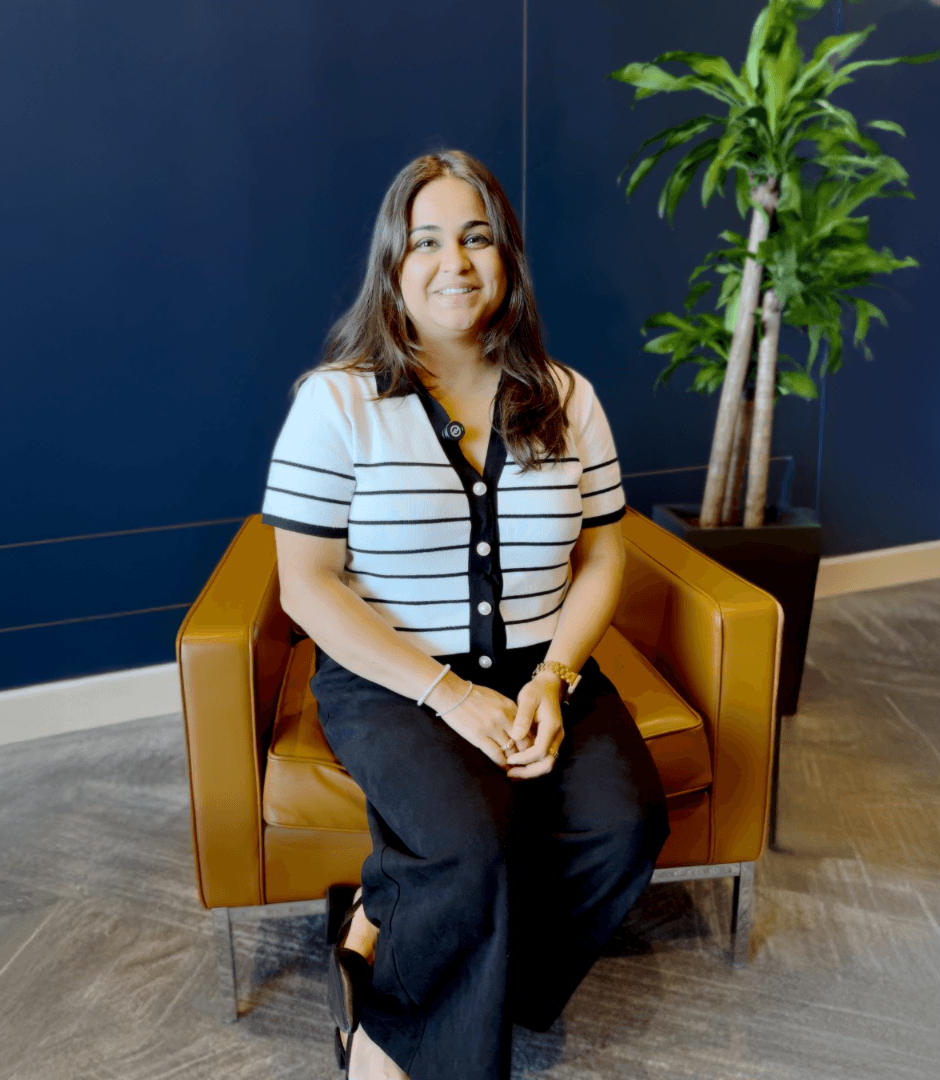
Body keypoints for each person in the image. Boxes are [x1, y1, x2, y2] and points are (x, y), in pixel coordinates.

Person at [261, 150, 669, 1080]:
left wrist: (554, 681)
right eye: (428, 241)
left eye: (477, 237)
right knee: (466, 843)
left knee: (625, 825)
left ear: (508, 257)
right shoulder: (336, 402)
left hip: (543, 659)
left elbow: (602, 553)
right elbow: (308, 585)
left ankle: (471, 970)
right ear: (393, 265)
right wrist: (450, 695)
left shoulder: (568, 398)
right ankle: (401, 1032)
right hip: (391, 675)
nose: (455, 262)